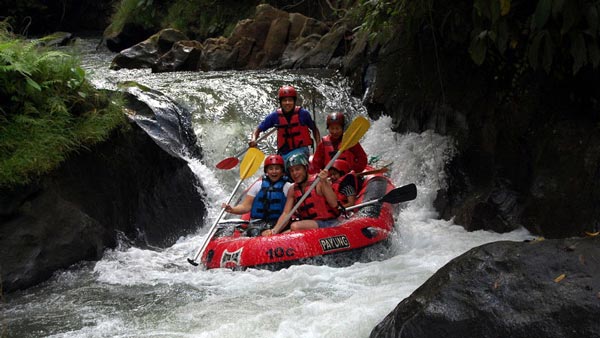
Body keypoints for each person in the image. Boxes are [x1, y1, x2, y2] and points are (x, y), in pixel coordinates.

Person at [266, 153, 339, 235]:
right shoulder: (292, 189)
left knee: (295, 226)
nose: (294, 173)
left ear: (305, 168)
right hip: (309, 225)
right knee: (282, 235)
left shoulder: (319, 182)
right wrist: (274, 231)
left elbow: (334, 203)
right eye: (291, 171)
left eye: (297, 169)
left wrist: (324, 182)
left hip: (329, 223)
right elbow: (286, 213)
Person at [222, 155, 292, 236]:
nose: (274, 171)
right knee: (253, 232)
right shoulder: (258, 185)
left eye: (277, 168)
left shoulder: (288, 187)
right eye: (271, 169)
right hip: (258, 223)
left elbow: (288, 212)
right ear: (266, 171)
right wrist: (232, 209)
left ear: (282, 171)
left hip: (277, 222)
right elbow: (245, 207)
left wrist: (274, 230)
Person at [249, 85, 320, 165]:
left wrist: (318, 146)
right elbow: (258, 129)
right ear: (280, 102)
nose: (287, 103)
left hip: (301, 150)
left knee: (294, 161)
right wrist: (253, 139)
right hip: (284, 153)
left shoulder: (303, 114)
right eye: (284, 100)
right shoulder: (275, 116)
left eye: (290, 100)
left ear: (294, 101)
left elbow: (314, 129)